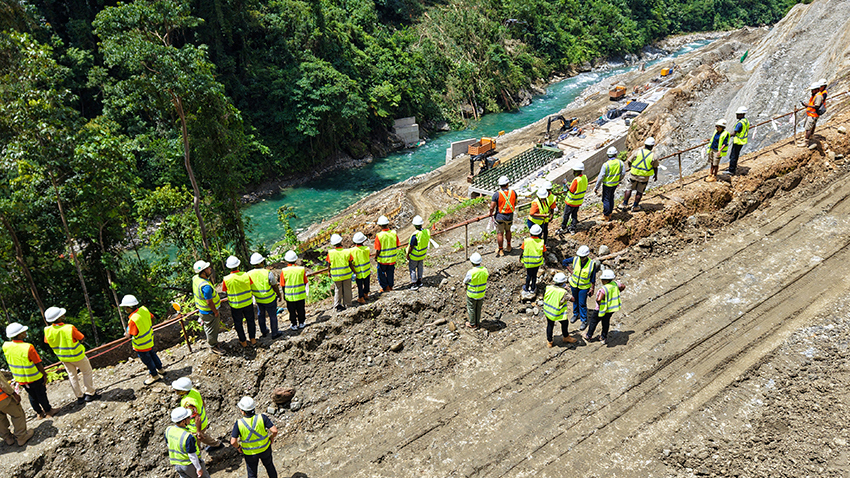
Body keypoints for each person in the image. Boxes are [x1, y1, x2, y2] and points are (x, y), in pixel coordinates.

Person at [43, 306, 100, 402]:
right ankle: (90, 393)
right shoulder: (69, 328)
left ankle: (79, 397)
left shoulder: (47, 330)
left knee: (72, 375)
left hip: (63, 357)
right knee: (87, 372)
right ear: (59, 317)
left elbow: (46, 341)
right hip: (77, 355)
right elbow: (81, 337)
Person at [2, 323, 57, 419]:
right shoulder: (28, 347)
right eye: (23, 332)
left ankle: (39, 413)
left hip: (20, 378)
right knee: (41, 394)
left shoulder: (6, 346)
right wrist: (44, 374)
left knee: (32, 395)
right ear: (19, 335)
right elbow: (38, 363)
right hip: (33, 377)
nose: (25, 332)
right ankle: (48, 411)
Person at [120, 295, 166, 385]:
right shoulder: (144, 310)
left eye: (126, 308)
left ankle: (154, 375)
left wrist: (126, 334)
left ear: (130, 308)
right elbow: (153, 318)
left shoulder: (133, 319)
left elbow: (131, 334)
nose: (125, 310)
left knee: (147, 360)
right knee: (153, 354)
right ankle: (161, 369)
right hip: (149, 339)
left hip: (141, 345)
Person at [231, 396, 278, 478]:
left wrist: (239, 447)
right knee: (269, 466)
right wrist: (271, 437)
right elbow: (274, 431)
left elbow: (233, 442)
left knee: (252, 474)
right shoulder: (262, 418)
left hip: (250, 454)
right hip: (265, 449)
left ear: (242, 411)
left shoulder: (239, 423)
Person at [172, 377, 223, 451]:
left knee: (195, 443)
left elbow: (197, 418)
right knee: (202, 436)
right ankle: (216, 444)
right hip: (202, 422)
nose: (175, 390)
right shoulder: (193, 391)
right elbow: (202, 402)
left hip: (195, 427)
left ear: (183, 391)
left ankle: (199, 454)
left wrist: (198, 432)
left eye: (177, 390)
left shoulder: (188, 403)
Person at [222, 256, 260, 347]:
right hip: (247, 303)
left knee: (238, 323)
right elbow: (250, 285)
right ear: (238, 265)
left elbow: (224, 290)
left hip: (235, 305)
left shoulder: (226, 279)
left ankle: (243, 341)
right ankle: (253, 339)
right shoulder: (246, 275)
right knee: (250, 321)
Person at [166, 407, 211, 478]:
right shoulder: (187, 437)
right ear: (183, 421)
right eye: (188, 417)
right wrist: (199, 468)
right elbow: (192, 455)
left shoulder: (168, 430)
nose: (190, 418)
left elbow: (169, 444)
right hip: (189, 465)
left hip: (177, 465)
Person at [562, 245, 598, 332]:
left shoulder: (591, 264)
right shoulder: (575, 259)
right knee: (574, 300)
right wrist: (571, 271)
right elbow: (564, 262)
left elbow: (593, 278)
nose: (581, 258)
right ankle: (575, 314)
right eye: (580, 256)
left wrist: (592, 288)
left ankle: (584, 320)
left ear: (586, 256)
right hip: (574, 285)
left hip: (584, 287)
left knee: (582, 303)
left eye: (583, 257)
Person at [584, 269, 625, 344]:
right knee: (605, 322)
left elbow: (599, 299)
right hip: (611, 309)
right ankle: (603, 337)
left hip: (601, 309)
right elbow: (623, 286)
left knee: (593, 322)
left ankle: (588, 336)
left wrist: (599, 303)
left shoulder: (604, 289)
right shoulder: (615, 284)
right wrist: (617, 292)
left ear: (605, 280)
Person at [192, 260, 225, 355]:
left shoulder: (195, 278)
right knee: (212, 329)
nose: (210, 269)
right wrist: (215, 312)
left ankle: (214, 342)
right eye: (207, 268)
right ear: (203, 272)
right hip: (209, 312)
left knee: (208, 328)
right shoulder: (205, 286)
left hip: (202, 310)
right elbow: (209, 301)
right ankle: (213, 346)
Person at [248, 253, 283, 339]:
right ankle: (275, 333)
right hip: (270, 299)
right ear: (262, 262)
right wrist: (279, 294)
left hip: (259, 299)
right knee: (272, 316)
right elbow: (274, 285)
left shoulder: (249, 274)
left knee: (261, 315)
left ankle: (264, 331)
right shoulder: (267, 273)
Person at [621, 137, 658, 212]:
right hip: (644, 177)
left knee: (629, 189)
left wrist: (631, 168)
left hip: (634, 174)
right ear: (652, 146)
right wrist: (655, 175)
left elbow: (629, 161)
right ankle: (635, 206)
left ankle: (624, 204)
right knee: (640, 191)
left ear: (645, 145)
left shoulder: (638, 152)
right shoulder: (653, 156)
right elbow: (655, 167)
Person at [542, 272, 578, 348]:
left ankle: (549, 341)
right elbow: (572, 299)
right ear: (563, 282)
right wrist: (568, 290)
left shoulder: (549, 287)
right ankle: (566, 337)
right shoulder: (563, 292)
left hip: (548, 310)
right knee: (564, 323)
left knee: (550, 325)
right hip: (557, 312)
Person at [0, 373, 34, 446]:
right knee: (17, 415)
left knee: (0, 420)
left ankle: (8, 438)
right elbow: (3, 384)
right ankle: (21, 437)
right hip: (3, 399)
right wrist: (14, 394)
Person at [594, 147, 625, 220]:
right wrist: (619, 179)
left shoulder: (606, 165)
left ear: (608, 155)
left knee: (606, 199)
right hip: (615, 184)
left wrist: (596, 187)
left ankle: (606, 215)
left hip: (607, 185)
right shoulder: (620, 163)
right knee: (611, 198)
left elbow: (601, 176)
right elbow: (623, 173)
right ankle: (610, 213)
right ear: (615, 154)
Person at [488, 175, 516, 256]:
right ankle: (509, 246)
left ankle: (501, 250)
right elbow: (515, 202)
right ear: (507, 184)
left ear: (500, 185)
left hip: (500, 216)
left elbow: (492, 206)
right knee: (508, 231)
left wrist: (490, 213)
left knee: (500, 233)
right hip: (509, 216)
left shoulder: (497, 194)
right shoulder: (513, 192)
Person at [280, 250, 308, 330]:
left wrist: (284, 295)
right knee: (301, 309)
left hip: (289, 296)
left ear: (286, 260)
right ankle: (302, 323)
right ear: (296, 259)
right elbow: (305, 281)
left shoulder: (284, 271)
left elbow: (282, 284)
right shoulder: (301, 269)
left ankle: (294, 324)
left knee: (291, 311)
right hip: (300, 294)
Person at [327, 234, 355, 311]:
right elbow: (350, 263)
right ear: (341, 242)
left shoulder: (331, 253)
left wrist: (329, 272)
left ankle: (337, 305)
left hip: (336, 276)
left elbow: (329, 264)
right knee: (347, 289)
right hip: (346, 274)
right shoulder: (347, 252)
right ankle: (348, 304)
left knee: (337, 290)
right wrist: (354, 271)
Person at [558, 164, 587, 234]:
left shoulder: (576, 180)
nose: (573, 173)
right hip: (578, 201)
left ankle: (563, 228)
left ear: (578, 171)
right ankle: (573, 228)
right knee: (574, 215)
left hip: (571, 201)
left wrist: (566, 184)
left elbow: (571, 190)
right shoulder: (584, 177)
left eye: (574, 171)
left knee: (566, 215)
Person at [463, 253, 488, 328]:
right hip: (481, 294)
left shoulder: (471, 272)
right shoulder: (485, 270)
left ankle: (472, 323)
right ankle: (477, 322)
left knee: (471, 308)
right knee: (478, 308)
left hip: (472, 294)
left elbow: (465, 281)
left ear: (471, 262)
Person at [375, 216, 400, 292]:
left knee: (381, 274)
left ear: (380, 226)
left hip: (383, 259)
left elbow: (378, 249)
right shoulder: (393, 233)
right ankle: (390, 286)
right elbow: (397, 245)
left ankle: (385, 287)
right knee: (390, 273)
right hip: (392, 259)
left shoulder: (379, 235)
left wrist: (376, 257)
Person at [406, 215, 430, 290]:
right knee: (420, 267)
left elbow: (411, 246)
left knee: (412, 269)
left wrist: (408, 254)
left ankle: (414, 284)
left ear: (414, 225)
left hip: (414, 255)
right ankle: (420, 281)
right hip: (422, 254)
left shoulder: (415, 235)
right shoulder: (426, 232)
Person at [520, 224, 545, 294]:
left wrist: (520, 258)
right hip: (537, 262)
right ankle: (533, 288)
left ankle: (526, 287)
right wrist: (545, 259)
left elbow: (522, 250)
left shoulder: (526, 241)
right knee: (534, 275)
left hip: (528, 262)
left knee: (528, 275)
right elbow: (544, 252)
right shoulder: (541, 242)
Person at [727, 107, 749, 176]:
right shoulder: (746, 121)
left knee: (733, 156)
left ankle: (731, 170)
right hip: (742, 141)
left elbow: (734, 133)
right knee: (736, 155)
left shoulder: (740, 123)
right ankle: (733, 168)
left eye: (738, 114)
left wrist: (725, 135)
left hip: (738, 141)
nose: (736, 115)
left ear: (742, 114)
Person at [350, 232, 372, 303]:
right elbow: (368, 256)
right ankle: (366, 294)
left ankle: (361, 298)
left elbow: (350, 260)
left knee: (359, 285)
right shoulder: (367, 249)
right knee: (366, 283)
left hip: (358, 271)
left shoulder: (352, 250)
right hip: (366, 270)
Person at [542, 180, 556, 244]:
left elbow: (552, 208)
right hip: (541, 216)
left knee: (544, 229)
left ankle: (544, 242)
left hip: (543, 216)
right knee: (544, 229)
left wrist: (551, 215)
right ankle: (544, 241)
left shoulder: (552, 197)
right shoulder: (551, 196)